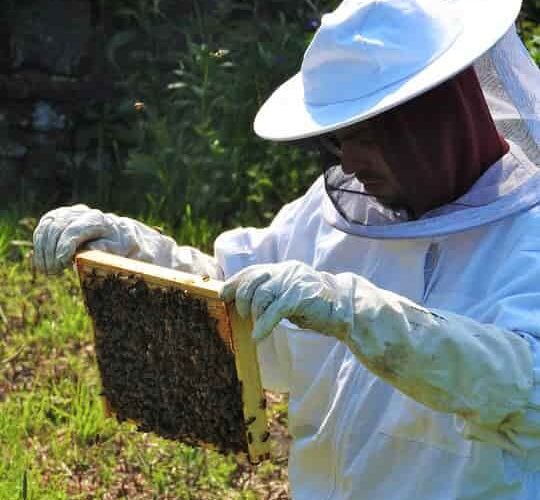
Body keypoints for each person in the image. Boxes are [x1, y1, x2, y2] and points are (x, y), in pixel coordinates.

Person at [33, 0, 540, 498]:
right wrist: (130, 250)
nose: (353, 160)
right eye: (342, 138)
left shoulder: (527, 237)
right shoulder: (334, 215)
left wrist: (360, 315)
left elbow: (526, 388)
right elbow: (233, 298)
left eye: (369, 135)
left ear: (437, 116)